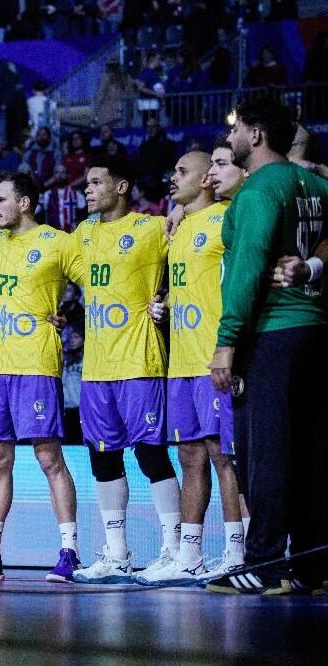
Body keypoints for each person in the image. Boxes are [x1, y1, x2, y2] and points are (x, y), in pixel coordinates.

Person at [206, 97, 328, 595]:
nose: (230, 137)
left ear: (256, 135)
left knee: (265, 455)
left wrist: (226, 342)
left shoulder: (257, 191)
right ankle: (312, 566)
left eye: (236, 129)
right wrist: (313, 267)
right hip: (318, 333)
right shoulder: (318, 186)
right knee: (313, 453)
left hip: (272, 333)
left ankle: (262, 563)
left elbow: (248, 270)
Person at [0, 172, 83, 582]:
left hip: (36, 364)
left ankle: (69, 550)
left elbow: (96, 286)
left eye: (0, 199)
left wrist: (72, 317)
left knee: (49, 458)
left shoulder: (58, 242)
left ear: (24, 203)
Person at [131, 149, 245, 585]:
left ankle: (238, 552)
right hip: (179, 361)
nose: (172, 178)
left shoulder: (227, 218)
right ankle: (189, 553)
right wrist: (166, 305)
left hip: (214, 357)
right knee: (189, 455)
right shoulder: (175, 229)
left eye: (182, 172)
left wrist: (229, 349)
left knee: (224, 457)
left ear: (208, 180)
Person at [70, 154, 182, 585]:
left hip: (140, 362)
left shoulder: (154, 228)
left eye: (96, 182)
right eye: (87, 183)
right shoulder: (83, 234)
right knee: (102, 458)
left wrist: (168, 302)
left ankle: (173, 551)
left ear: (121, 187)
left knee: (151, 454)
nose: (88, 189)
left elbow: (196, 267)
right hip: (96, 370)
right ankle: (117, 555)